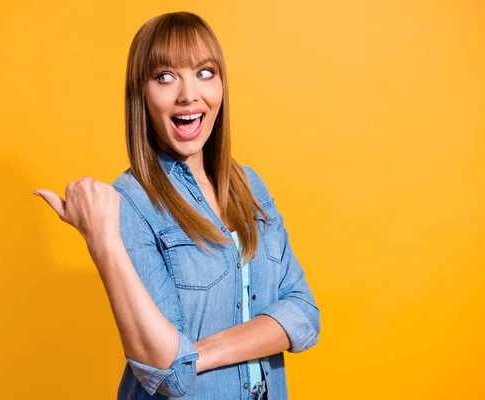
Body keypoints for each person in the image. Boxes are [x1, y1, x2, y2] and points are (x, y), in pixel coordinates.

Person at [34, 11, 320, 400]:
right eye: (165, 77)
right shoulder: (132, 203)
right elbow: (167, 372)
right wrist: (104, 242)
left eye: (204, 72)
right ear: (142, 94)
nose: (189, 94)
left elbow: (304, 314)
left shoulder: (249, 186)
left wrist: (196, 354)